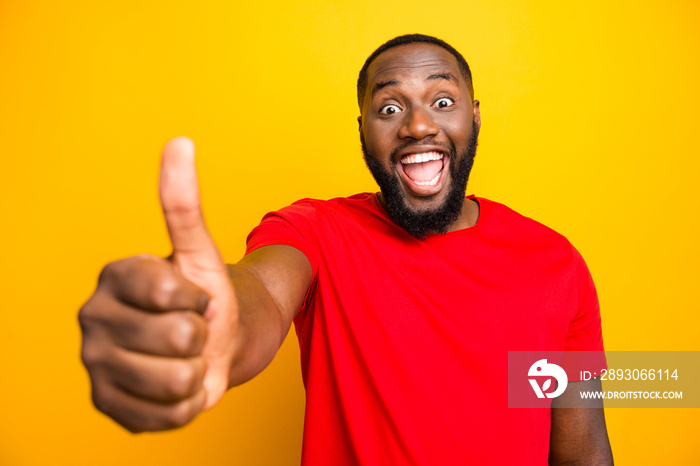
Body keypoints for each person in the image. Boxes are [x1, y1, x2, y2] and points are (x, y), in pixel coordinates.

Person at [79, 34, 614, 464]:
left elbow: (583, 452)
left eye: (442, 101)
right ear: (364, 131)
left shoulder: (554, 263)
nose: (418, 124)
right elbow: (261, 289)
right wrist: (214, 326)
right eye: (389, 108)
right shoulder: (318, 230)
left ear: (474, 117)